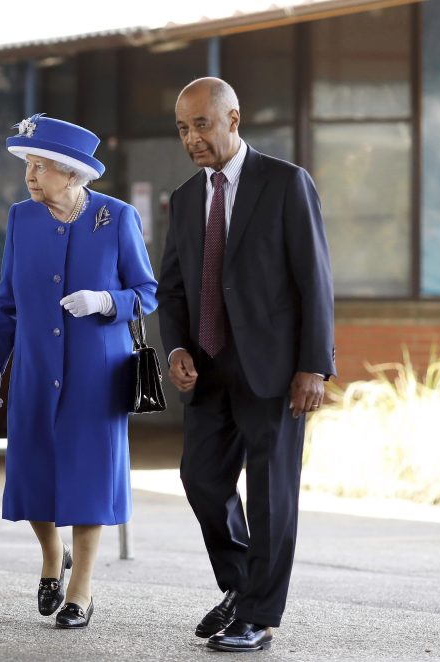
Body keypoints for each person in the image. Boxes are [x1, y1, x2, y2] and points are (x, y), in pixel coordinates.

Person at [157, 77, 335, 652]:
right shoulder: (185, 198)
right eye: (183, 129)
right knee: (201, 479)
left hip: (277, 370)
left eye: (201, 125)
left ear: (233, 119)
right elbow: (175, 286)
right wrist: (179, 347)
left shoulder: (285, 184)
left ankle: (259, 615)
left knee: (271, 495)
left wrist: (315, 365)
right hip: (209, 368)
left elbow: (315, 280)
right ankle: (240, 586)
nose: (192, 139)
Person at [0, 115, 158, 629]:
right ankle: (51, 556)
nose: (30, 176)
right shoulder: (22, 218)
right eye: (29, 165)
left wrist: (106, 301)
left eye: (42, 167)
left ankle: (81, 589)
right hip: (36, 366)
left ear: (74, 174)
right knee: (35, 467)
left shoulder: (115, 217)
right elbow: (7, 298)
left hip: (95, 371)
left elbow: (147, 293)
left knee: (89, 475)